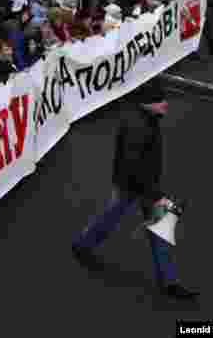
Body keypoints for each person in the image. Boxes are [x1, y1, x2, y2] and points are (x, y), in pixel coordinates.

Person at [71, 79, 199, 299]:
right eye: (160, 101)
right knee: (135, 223)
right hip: (135, 186)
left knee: (115, 218)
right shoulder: (139, 127)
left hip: (134, 185)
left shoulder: (145, 118)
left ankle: (84, 244)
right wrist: (156, 196)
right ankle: (168, 281)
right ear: (148, 103)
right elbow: (134, 167)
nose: (165, 104)